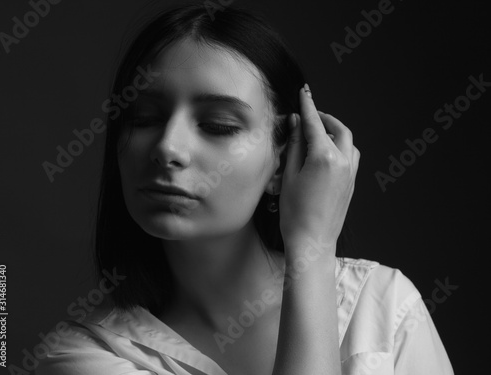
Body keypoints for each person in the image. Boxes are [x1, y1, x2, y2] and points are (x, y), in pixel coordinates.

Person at [35, 2, 454, 374]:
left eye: (219, 125)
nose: (167, 147)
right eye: (143, 118)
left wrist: (311, 248)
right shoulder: (84, 355)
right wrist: (312, 247)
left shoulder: (382, 307)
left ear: (283, 160)